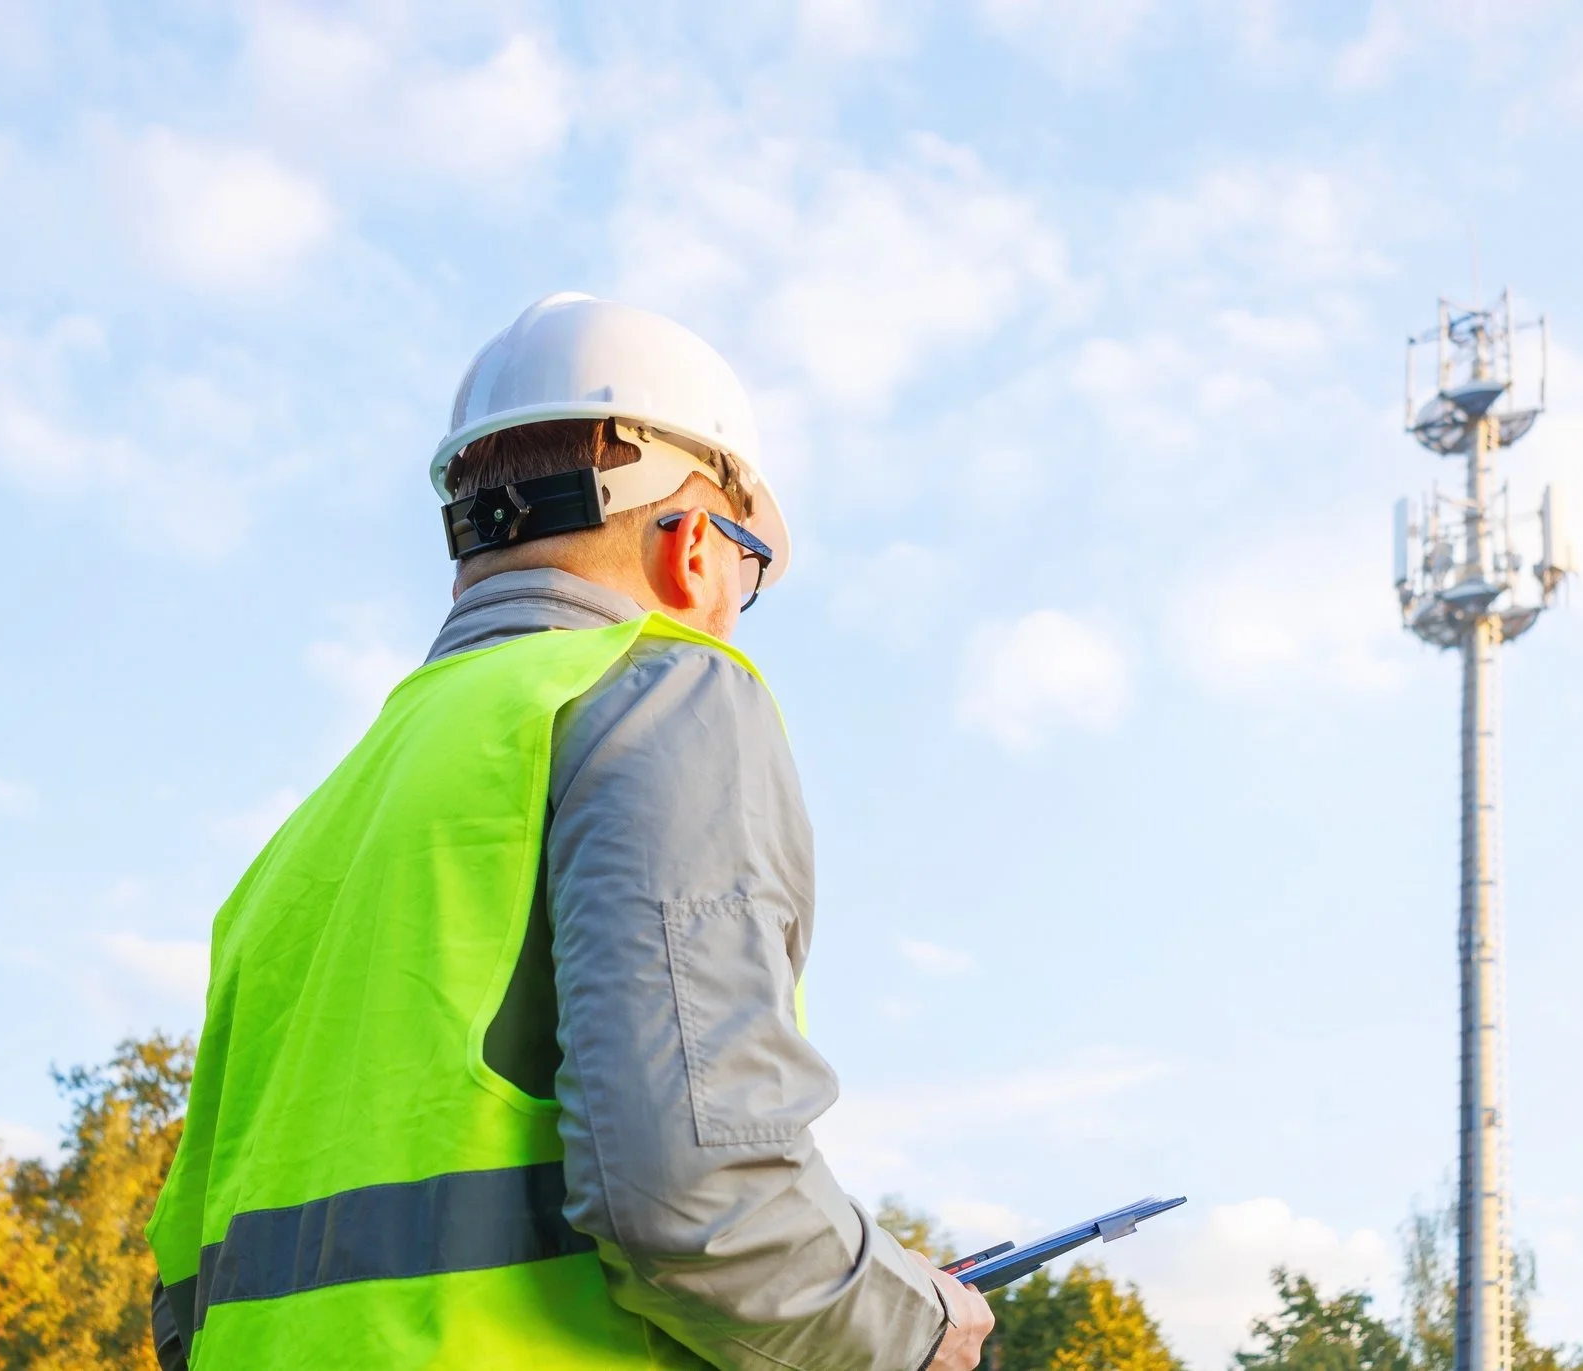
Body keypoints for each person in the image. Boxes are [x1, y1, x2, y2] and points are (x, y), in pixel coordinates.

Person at [145, 293, 995, 1370]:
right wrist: (913, 1326)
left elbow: (183, 1298)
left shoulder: (309, 836)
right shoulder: (658, 691)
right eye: (750, 577)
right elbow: (697, 1197)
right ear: (694, 548)